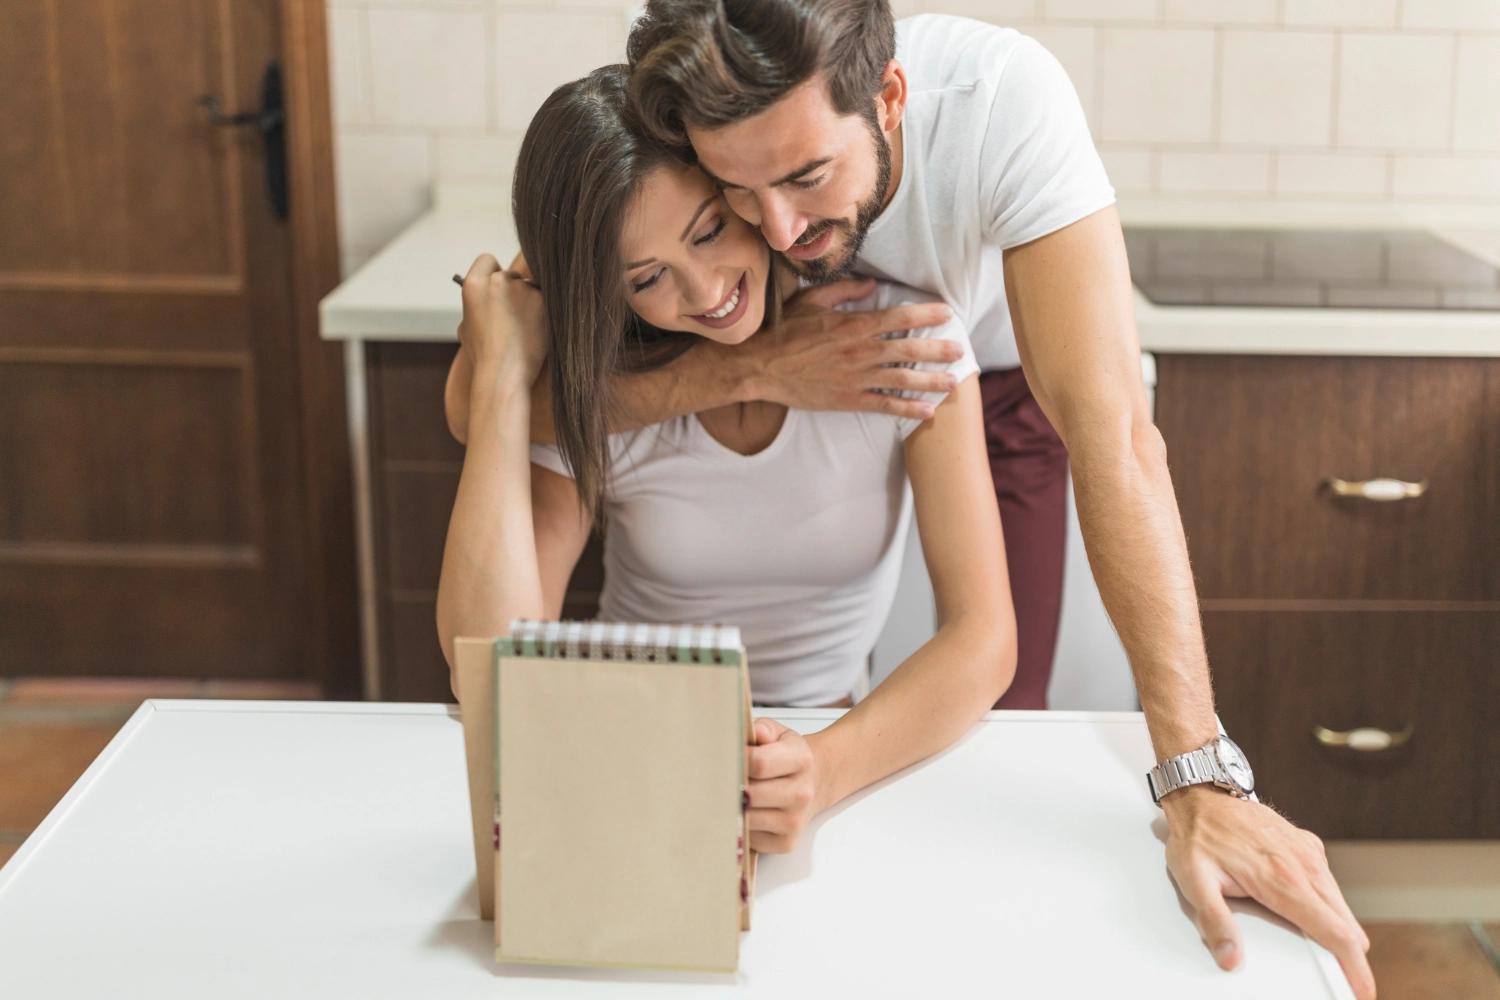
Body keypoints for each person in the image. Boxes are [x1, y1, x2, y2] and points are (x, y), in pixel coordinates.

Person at [581, 1, 1369, 995]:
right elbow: (525, 377)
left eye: (807, 176)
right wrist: (752, 370)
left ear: (891, 99)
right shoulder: (685, 104)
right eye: (736, 190)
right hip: (800, 359)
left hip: (1000, 378)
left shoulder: (1001, 102)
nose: (779, 229)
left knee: (1006, 709)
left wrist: (1201, 776)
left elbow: (1114, 435)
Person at [436, 65, 1015, 856]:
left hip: (833, 747)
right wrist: (503, 373)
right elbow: (487, 672)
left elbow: (984, 639)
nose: (707, 292)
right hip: (629, 747)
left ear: (739, 186)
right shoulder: (609, 385)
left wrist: (824, 767)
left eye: (709, 231)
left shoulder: (896, 342)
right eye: (647, 278)